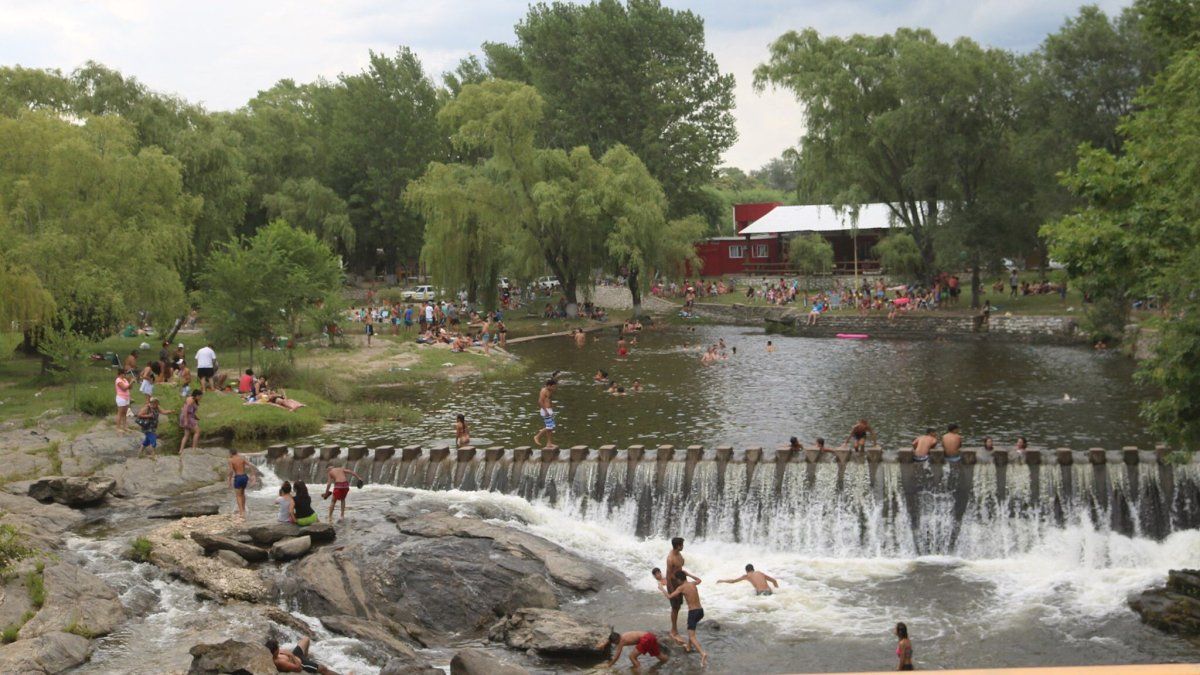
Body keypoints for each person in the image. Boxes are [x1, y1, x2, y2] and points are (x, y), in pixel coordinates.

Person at [666, 570, 708, 666]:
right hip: (700, 611)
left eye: (677, 580)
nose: (676, 582)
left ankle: (703, 653)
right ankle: (689, 646)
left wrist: (661, 589)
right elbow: (699, 580)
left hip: (693, 612)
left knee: (692, 636)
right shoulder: (692, 584)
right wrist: (688, 574)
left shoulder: (681, 588)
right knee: (690, 629)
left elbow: (669, 596)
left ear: (680, 580)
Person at [665, 537, 698, 646]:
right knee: (675, 607)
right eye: (682, 544)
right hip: (674, 585)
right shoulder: (670, 558)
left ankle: (676, 629)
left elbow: (680, 567)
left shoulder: (679, 555)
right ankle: (673, 631)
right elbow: (669, 576)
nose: (683, 546)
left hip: (681, 582)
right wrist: (671, 590)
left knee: (679, 607)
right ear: (678, 545)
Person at [266, 636, 342, 675]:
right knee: (323, 669)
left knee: (306, 639)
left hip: (297, 656)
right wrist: (291, 655)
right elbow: (299, 668)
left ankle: (306, 658)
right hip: (302, 664)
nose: (279, 648)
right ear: (275, 651)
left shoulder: (273, 654)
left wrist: (291, 655)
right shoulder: (280, 662)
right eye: (278, 647)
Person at [602, 630, 669, 672]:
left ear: (617, 640)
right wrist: (603, 644)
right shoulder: (621, 636)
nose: (615, 644)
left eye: (615, 643)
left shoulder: (621, 641)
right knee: (658, 655)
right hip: (650, 636)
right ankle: (669, 661)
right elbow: (611, 639)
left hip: (645, 639)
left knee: (632, 657)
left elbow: (617, 656)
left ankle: (638, 669)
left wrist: (609, 665)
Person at [228, 448, 258, 519]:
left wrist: (229, 480)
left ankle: (241, 513)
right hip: (244, 477)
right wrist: (253, 475)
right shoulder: (242, 458)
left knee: (238, 495)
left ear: (231, 453)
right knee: (242, 493)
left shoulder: (231, 460)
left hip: (238, 477)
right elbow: (251, 465)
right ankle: (243, 509)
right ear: (237, 452)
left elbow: (231, 471)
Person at [533, 379, 558, 449]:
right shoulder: (544, 391)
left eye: (555, 386)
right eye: (553, 386)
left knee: (551, 427)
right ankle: (537, 436)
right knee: (549, 426)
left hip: (549, 410)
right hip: (545, 411)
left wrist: (551, 407)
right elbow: (540, 401)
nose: (554, 388)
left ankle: (549, 443)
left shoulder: (549, 390)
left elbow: (548, 400)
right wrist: (546, 411)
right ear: (548, 386)